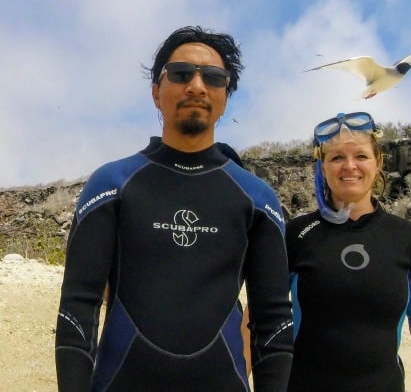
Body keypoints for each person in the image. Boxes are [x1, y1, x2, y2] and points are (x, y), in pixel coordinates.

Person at [55, 26, 293, 392]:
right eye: (181, 73)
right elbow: (77, 311)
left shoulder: (257, 199)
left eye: (213, 78)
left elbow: (273, 324)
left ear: (225, 97)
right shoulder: (111, 185)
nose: (197, 86)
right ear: (155, 92)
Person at [286, 112, 411, 391]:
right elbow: (259, 318)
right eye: (337, 157)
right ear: (322, 167)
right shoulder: (296, 235)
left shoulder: (405, 238)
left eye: (361, 156)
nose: (349, 166)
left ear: (378, 163)